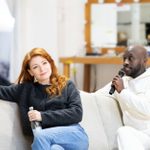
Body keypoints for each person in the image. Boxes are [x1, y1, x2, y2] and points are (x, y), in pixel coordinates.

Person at [0, 48, 89, 150]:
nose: (42, 69)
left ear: (50, 63)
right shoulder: (25, 90)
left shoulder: (67, 85)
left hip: (74, 136)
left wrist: (42, 116)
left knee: (40, 136)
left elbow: (77, 113)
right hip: (48, 142)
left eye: (44, 63)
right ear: (30, 72)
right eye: (35, 67)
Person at [96, 45, 150, 150]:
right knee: (123, 132)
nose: (125, 62)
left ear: (145, 61)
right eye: (124, 58)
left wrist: (123, 92)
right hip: (135, 137)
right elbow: (96, 96)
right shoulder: (122, 81)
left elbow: (148, 110)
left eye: (130, 58)